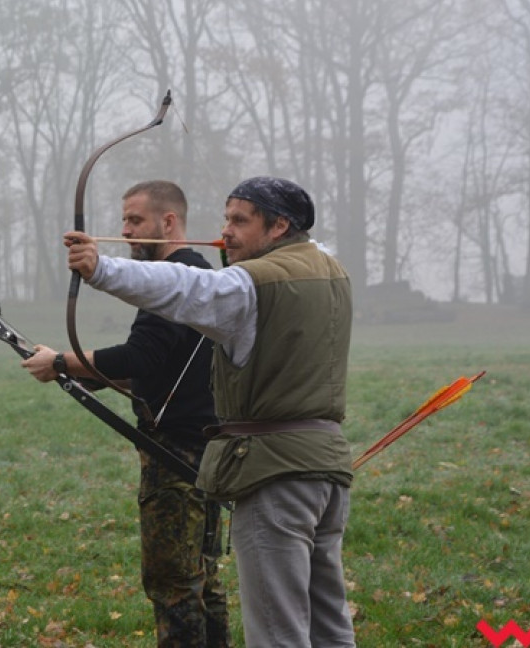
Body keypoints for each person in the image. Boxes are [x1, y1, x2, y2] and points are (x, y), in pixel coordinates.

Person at [63, 177, 355, 648]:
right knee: (330, 626)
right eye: (226, 219)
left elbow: (185, 287)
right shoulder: (330, 272)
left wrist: (101, 268)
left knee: (279, 632)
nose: (227, 232)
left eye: (241, 221)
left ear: (280, 225)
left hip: (273, 473)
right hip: (326, 469)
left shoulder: (258, 284)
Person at [22, 181, 231, 647]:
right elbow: (155, 370)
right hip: (210, 450)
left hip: (176, 456)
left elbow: (139, 358)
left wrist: (62, 361)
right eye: (124, 220)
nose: (126, 230)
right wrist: (74, 371)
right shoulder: (202, 277)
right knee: (204, 581)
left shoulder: (172, 283)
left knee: (175, 586)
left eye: (135, 220)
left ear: (169, 221)